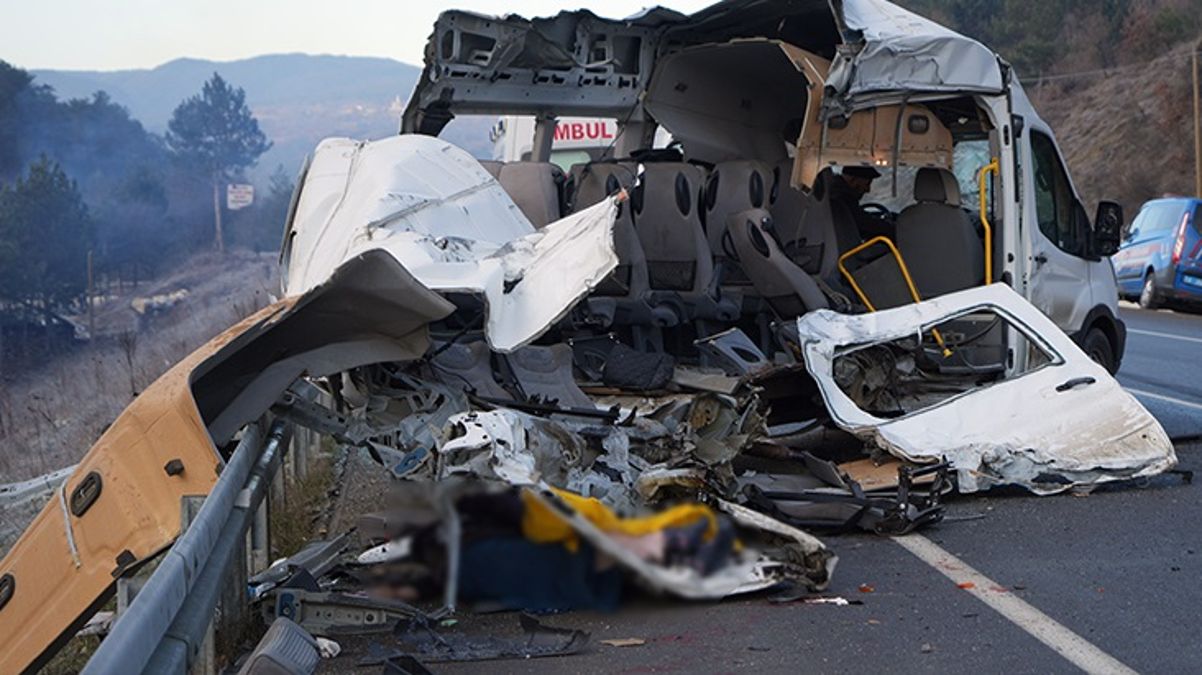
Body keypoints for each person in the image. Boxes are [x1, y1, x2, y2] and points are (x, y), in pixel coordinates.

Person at [829, 166, 895, 240]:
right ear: (853, 179)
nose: (868, 190)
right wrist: (893, 229)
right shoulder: (841, 198)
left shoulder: (833, 194)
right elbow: (865, 224)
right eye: (867, 183)